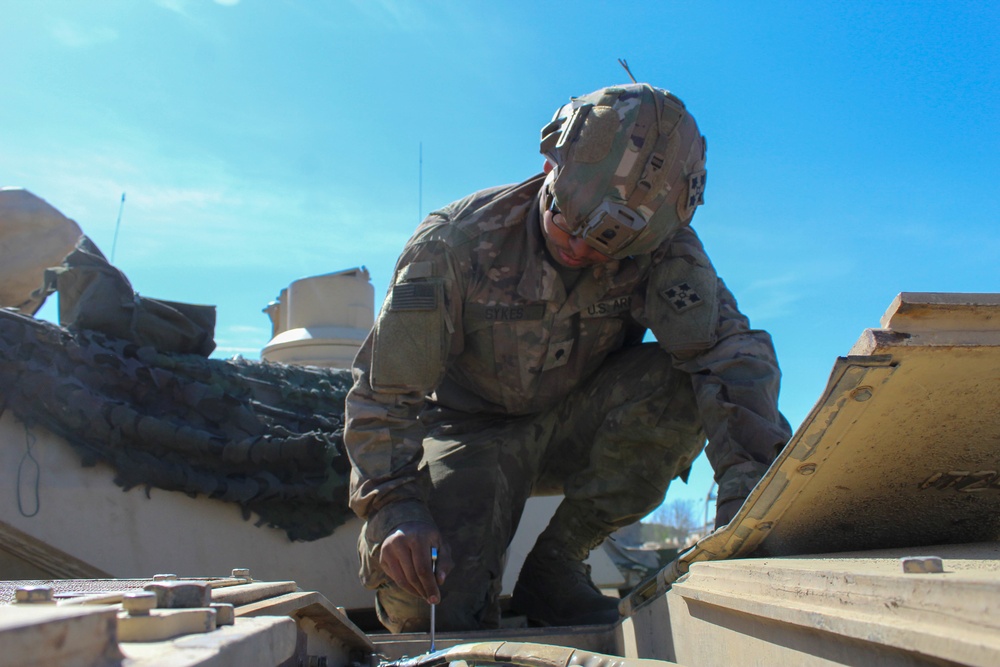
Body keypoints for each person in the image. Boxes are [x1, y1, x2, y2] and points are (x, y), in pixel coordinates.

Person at [344, 83, 791, 632]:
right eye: (562, 220)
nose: (577, 249)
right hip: (470, 431)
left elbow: (730, 356)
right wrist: (395, 507)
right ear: (549, 163)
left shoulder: (664, 250)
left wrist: (746, 509)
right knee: (431, 606)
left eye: (602, 245)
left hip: (580, 423)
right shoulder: (453, 244)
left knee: (681, 389)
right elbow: (385, 392)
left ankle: (556, 567)